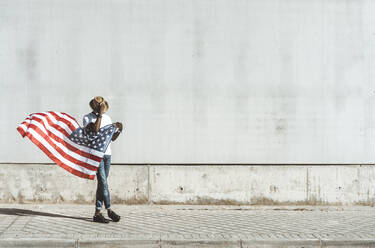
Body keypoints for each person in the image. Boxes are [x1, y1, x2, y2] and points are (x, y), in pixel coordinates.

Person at [83, 96, 123, 223]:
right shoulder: (87, 118)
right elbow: (94, 131)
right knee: (104, 183)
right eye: (100, 107)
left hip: (107, 154)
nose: (102, 109)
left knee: (102, 184)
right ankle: (110, 210)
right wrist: (99, 115)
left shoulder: (107, 118)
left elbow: (111, 138)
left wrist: (119, 131)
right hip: (96, 155)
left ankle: (97, 213)